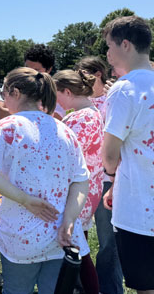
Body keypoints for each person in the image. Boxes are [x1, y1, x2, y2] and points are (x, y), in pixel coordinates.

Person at [0, 67, 90, 294]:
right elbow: (81, 181)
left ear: (15, 92)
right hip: (61, 236)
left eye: (4, 93)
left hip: (21, 236)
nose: (3, 99)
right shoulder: (64, 130)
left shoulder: (5, 128)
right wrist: (69, 219)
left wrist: (24, 199)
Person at [101, 15, 154, 294]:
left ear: (125, 44)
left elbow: (109, 155)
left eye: (109, 47)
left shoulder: (124, 90)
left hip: (139, 211)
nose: (107, 55)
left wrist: (112, 178)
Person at [74, 57, 124, 294]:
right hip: (81, 180)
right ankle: (80, 284)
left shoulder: (113, 98)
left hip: (105, 180)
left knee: (108, 242)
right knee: (76, 234)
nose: (79, 78)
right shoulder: (76, 100)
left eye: (83, 73)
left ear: (98, 74)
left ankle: (110, 288)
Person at [53, 69, 104, 294]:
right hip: (90, 189)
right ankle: (78, 287)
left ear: (67, 91)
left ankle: (90, 289)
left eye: (57, 95)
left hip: (77, 191)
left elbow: (64, 156)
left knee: (79, 251)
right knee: (78, 241)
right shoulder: (93, 113)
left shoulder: (78, 118)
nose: (56, 101)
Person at [0, 44, 64, 120]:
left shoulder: (56, 90)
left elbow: (56, 119)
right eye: (26, 68)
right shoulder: (12, 83)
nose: (29, 73)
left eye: (36, 70)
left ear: (49, 70)